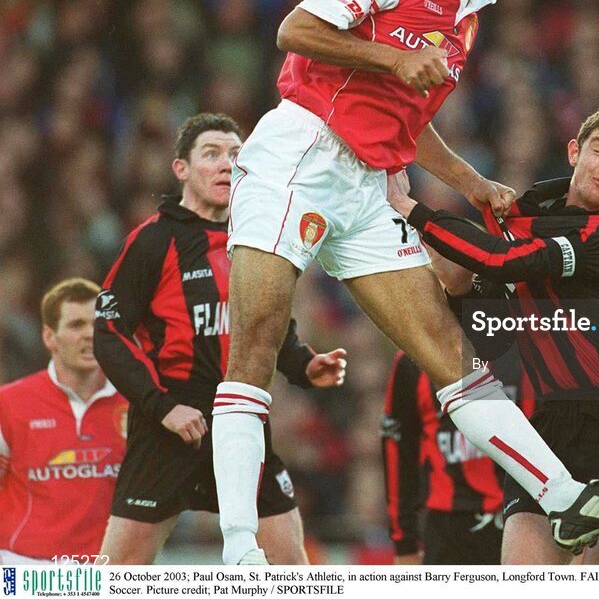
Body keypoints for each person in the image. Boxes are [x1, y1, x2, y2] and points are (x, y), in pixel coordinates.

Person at [216, 0, 599, 565]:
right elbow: (296, 31)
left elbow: (410, 121)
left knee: (454, 358)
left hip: (369, 183)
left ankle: (565, 498)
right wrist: (396, 58)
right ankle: (239, 550)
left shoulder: (468, 17)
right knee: (253, 345)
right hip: (301, 151)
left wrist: (472, 182)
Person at [387, 108, 599, 564]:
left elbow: (503, 262)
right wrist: (457, 285)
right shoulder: (523, 216)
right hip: (548, 429)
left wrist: (412, 209)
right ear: (574, 152)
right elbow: (484, 310)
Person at [93, 113, 347, 565]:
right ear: (181, 170)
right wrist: (162, 407)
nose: (227, 164)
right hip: (171, 423)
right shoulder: (154, 241)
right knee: (118, 576)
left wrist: (303, 364)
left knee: (292, 569)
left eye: (236, 155)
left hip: (242, 415)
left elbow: (264, 324)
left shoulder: (255, 237)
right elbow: (109, 333)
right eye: (211, 154)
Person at [0, 279, 128, 564]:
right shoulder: (8, 404)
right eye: (76, 325)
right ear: (49, 337)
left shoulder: (135, 405)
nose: (89, 335)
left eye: (97, 325)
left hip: (107, 570)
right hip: (24, 566)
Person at [382, 348, 534, 565]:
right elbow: (398, 451)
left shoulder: (532, 345)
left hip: (525, 519)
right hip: (448, 534)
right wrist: (404, 546)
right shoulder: (413, 356)